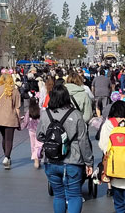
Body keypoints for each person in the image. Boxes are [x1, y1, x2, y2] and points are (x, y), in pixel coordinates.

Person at [37, 84, 94, 213]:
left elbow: (39, 136)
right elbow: (83, 140)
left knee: (59, 195)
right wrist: (88, 162)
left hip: (51, 161)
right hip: (72, 160)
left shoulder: (45, 115)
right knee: (74, 195)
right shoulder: (76, 114)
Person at [0, 74, 21, 169]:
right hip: (11, 118)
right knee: (9, 139)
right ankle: (7, 157)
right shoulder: (14, 91)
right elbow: (17, 108)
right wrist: (19, 119)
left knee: (4, 137)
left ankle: (7, 157)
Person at [21, 95, 43, 168]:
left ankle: (35, 159)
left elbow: (25, 121)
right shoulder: (40, 111)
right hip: (39, 130)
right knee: (39, 144)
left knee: (33, 145)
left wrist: (20, 127)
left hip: (31, 130)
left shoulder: (28, 111)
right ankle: (38, 157)